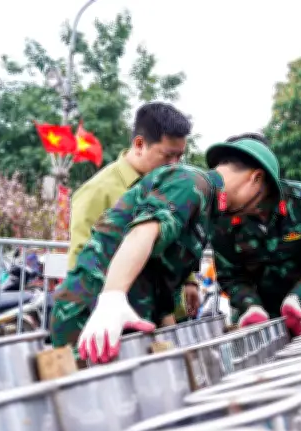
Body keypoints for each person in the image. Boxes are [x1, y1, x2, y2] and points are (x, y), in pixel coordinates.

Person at [50, 137, 279, 364]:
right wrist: (112, 299)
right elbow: (143, 233)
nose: (254, 210)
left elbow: (161, 277)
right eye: (261, 200)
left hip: (131, 318)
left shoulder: (209, 212)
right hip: (92, 316)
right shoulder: (191, 183)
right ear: (255, 179)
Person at [66, 102, 200, 322]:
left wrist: (189, 280)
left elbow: (174, 240)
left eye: (180, 156)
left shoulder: (169, 187)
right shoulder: (98, 192)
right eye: (168, 156)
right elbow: (81, 261)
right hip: (127, 317)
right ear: (139, 144)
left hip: (171, 313)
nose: (175, 165)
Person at [210, 133, 301, 337]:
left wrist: (297, 298)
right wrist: (250, 306)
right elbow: (229, 275)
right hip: (258, 325)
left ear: (256, 178)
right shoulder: (221, 216)